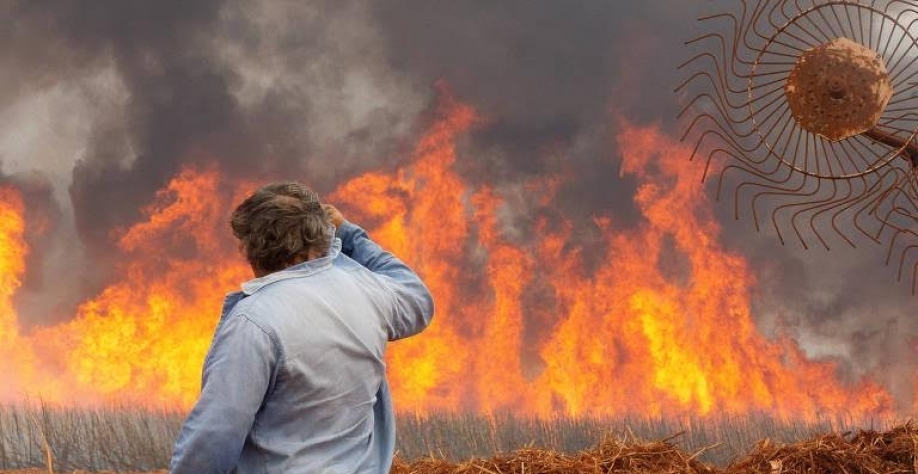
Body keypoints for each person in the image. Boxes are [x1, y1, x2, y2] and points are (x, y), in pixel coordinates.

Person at [170, 182, 434, 474]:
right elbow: (417, 298)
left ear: (253, 249)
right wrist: (348, 234)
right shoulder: (366, 290)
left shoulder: (254, 322)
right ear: (316, 242)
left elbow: (214, 435)